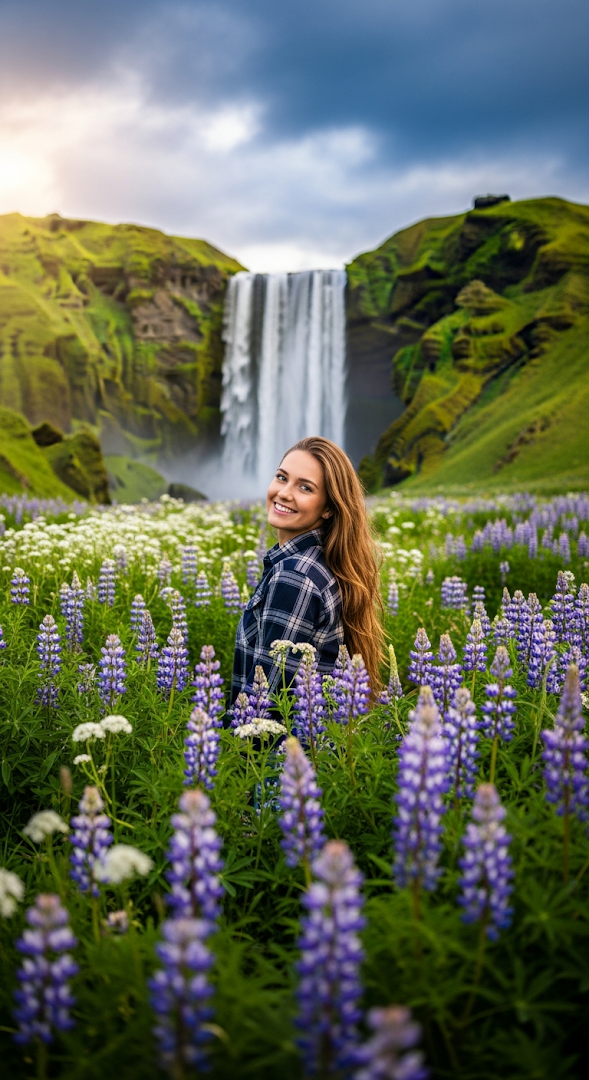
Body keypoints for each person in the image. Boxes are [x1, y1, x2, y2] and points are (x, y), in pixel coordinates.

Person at [231, 436, 383, 705]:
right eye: (281, 477)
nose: (284, 493)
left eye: (305, 487)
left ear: (327, 508)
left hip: (280, 747)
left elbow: (265, 704)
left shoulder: (295, 576)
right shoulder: (319, 561)